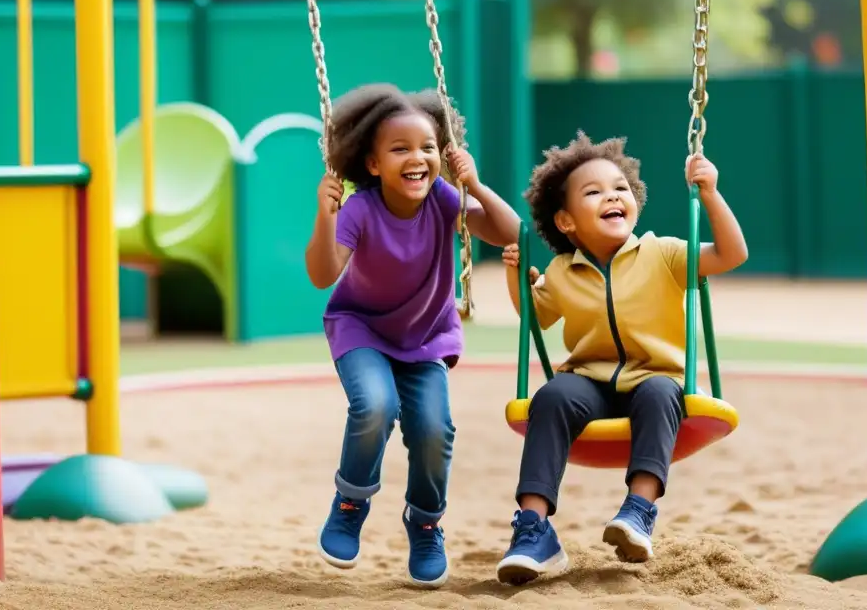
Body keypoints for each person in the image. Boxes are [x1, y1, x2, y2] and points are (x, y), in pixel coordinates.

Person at [494, 131, 748, 586]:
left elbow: (733, 253)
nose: (612, 196)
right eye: (593, 192)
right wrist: (515, 276)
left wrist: (709, 195)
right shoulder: (562, 270)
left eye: (620, 189)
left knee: (658, 392)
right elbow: (533, 316)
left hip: (655, 377)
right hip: (589, 383)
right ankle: (533, 529)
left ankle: (638, 510)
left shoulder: (664, 253)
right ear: (567, 222)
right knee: (550, 397)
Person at [305, 83, 521, 589]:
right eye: (400, 148)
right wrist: (325, 214)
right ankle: (350, 503)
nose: (417, 157)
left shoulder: (444, 200)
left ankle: (425, 522)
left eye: (427, 147)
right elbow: (322, 274)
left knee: (433, 429)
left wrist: (477, 186)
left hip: (425, 337)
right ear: (374, 164)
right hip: (361, 328)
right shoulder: (360, 209)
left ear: (442, 153)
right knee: (375, 406)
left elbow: (511, 233)